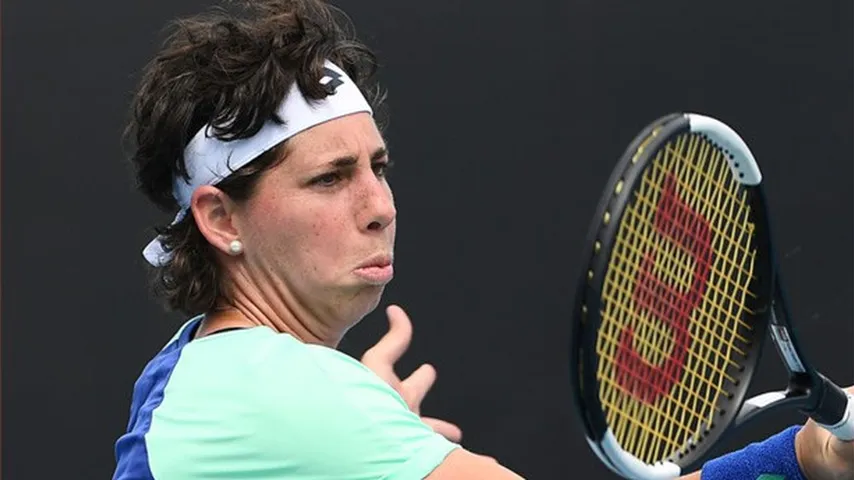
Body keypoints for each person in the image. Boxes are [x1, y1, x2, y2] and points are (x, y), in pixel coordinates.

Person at [112, 1, 854, 478]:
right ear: (220, 220)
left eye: (379, 167)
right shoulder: (281, 393)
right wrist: (802, 456)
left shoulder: (194, 373)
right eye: (330, 179)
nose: (380, 207)